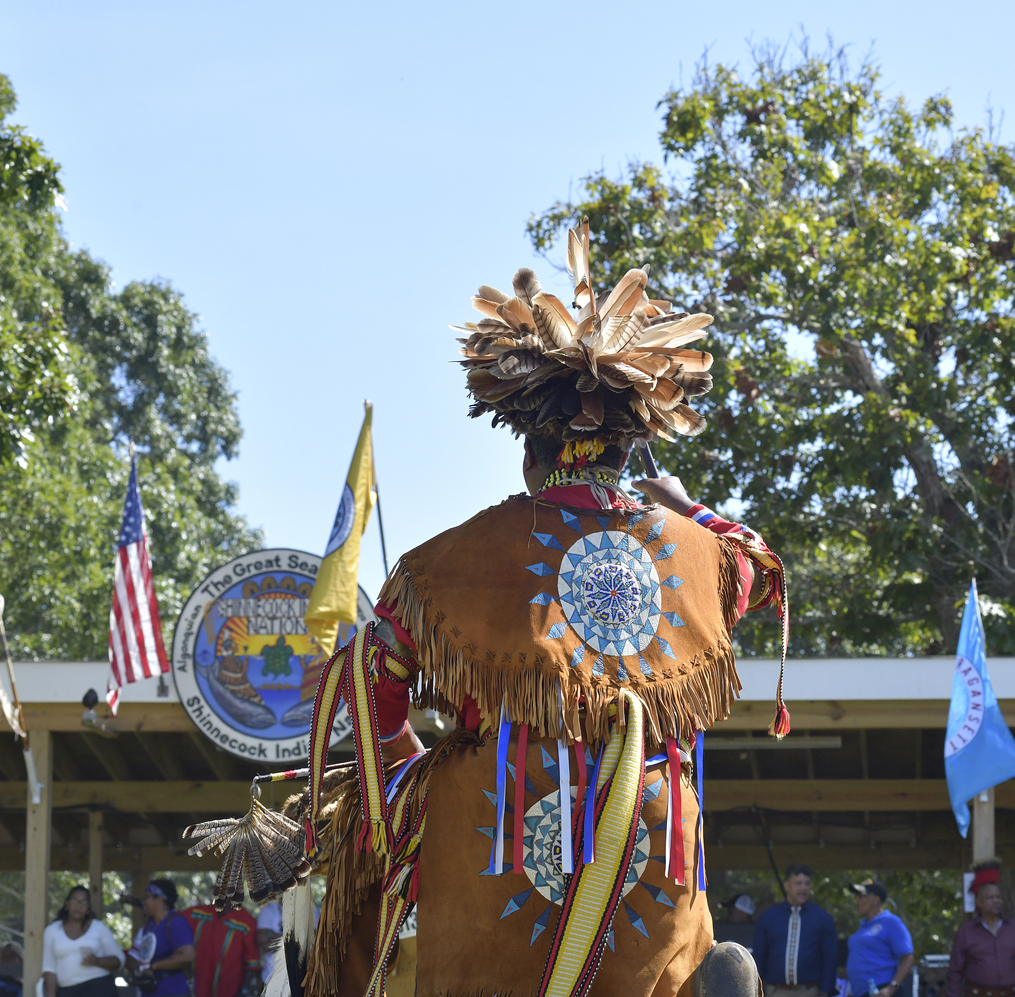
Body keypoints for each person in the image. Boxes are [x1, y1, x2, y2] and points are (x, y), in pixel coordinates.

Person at [197, 233, 790, 997]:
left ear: (527, 451)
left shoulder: (441, 564)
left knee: (356, 857)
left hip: (489, 825)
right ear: (632, 444)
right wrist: (686, 509)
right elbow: (764, 568)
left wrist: (413, 776)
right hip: (654, 830)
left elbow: (370, 684)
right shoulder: (701, 555)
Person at [945, 861, 1015, 997]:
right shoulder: (966, 931)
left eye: (999, 897)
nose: (996, 901)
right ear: (979, 902)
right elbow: (955, 970)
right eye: (990, 898)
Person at [753, 864, 839, 996]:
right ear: (787, 886)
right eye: (798, 883)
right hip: (775, 991)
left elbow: (829, 958)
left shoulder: (822, 919)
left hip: (809, 991)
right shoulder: (769, 917)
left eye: (807, 884)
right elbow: (759, 955)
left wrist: (825, 991)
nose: (803, 888)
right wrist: (758, 989)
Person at [43, 885, 122, 997]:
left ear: (88, 907)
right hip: (67, 991)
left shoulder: (99, 928)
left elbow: (119, 961)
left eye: (83, 902)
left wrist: (97, 961)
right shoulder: (52, 931)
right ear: (67, 903)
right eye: (74, 900)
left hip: (99, 988)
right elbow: (49, 968)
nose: (78, 906)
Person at [125, 880, 195, 997]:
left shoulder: (176, 922)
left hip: (174, 991)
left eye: (147, 897)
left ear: (160, 898)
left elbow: (188, 955)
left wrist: (155, 967)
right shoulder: (149, 926)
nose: (144, 902)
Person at [845, 880, 914, 997]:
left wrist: (891, 988)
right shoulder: (862, 927)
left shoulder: (891, 922)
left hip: (881, 991)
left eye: (862, 896)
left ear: (876, 899)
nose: (857, 900)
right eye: (856, 896)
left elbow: (909, 958)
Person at [182, 903, 260, 997]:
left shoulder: (246, 922)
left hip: (228, 991)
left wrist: (243, 993)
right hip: (193, 989)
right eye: (216, 887)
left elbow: (252, 966)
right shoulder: (198, 913)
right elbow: (172, 920)